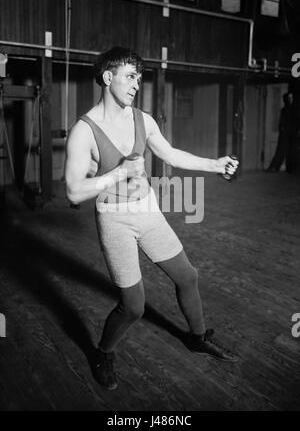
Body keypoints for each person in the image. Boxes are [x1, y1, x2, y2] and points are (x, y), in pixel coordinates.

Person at [65, 47, 239, 391]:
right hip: (114, 219)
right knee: (133, 307)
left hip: (148, 211)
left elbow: (170, 153)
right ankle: (103, 352)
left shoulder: (143, 119)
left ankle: (197, 336)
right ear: (107, 77)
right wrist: (118, 174)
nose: (136, 84)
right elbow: (73, 192)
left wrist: (214, 164)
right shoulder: (84, 130)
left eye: (139, 78)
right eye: (130, 76)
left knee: (188, 276)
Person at [267, 92, 296, 173]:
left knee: (287, 151)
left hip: (290, 134)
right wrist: (283, 130)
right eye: (289, 98)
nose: (291, 99)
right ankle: (274, 167)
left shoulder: (292, 109)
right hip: (285, 134)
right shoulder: (285, 110)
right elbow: (282, 123)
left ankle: (277, 167)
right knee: (281, 150)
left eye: (292, 98)